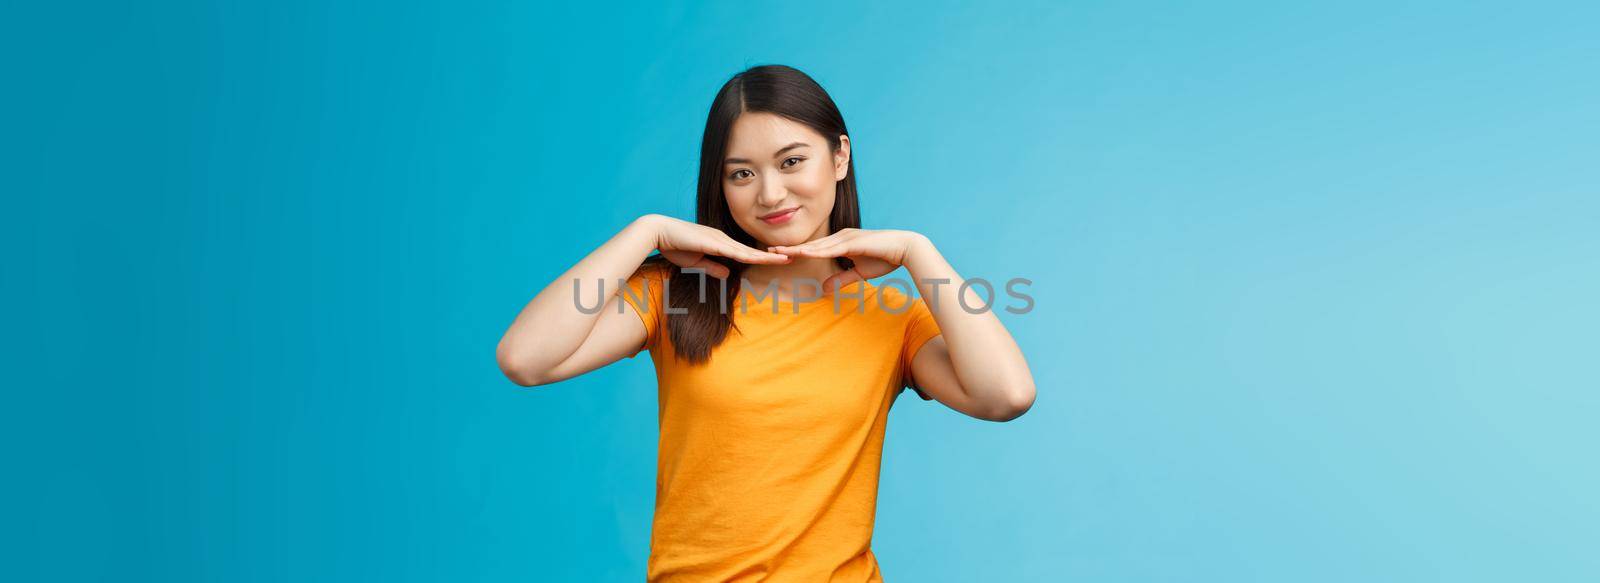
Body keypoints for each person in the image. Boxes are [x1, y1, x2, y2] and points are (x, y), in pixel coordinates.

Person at [496, 64, 1036, 582]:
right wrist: (647, 233)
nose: (770, 194)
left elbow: (1006, 395)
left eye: (792, 161)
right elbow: (525, 359)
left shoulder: (891, 320)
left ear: (840, 156)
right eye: (742, 174)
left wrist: (920, 253)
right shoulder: (677, 296)